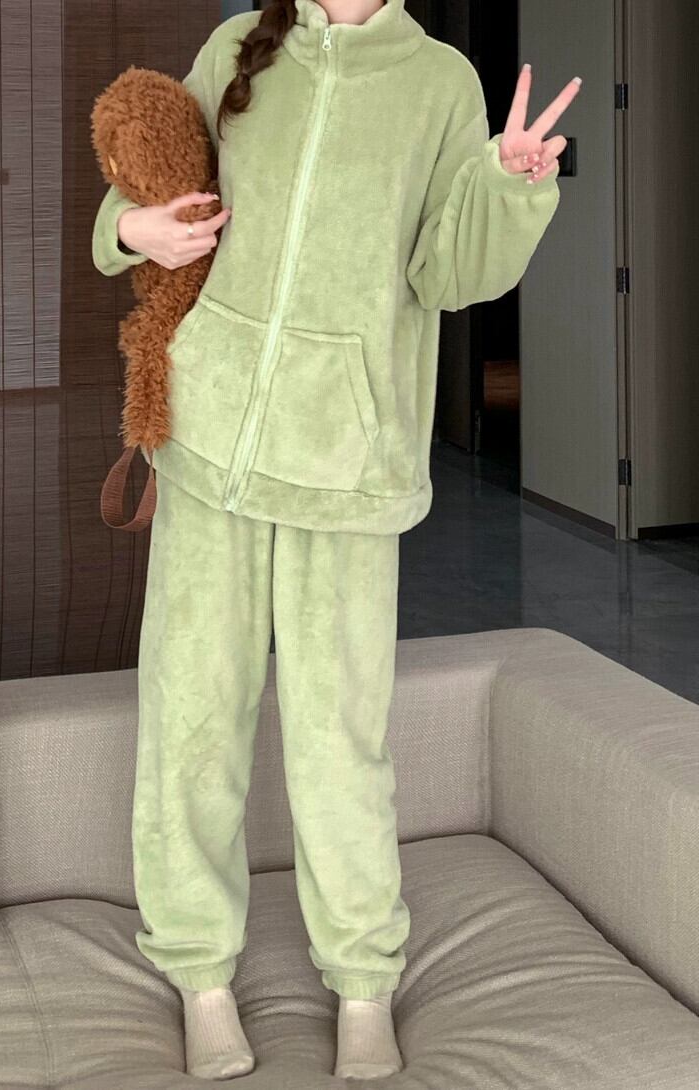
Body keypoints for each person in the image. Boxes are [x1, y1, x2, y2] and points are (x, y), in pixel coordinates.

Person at [91, 0, 580, 1080]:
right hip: (209, 447)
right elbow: (153, 187)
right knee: (190, 725)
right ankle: (200, 975)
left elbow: (447, 275)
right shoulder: (235, 46)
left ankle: (363, 984)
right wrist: (130, 232)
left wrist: (510, 185)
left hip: (346, 470)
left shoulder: (440, 82)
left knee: (339, 742)